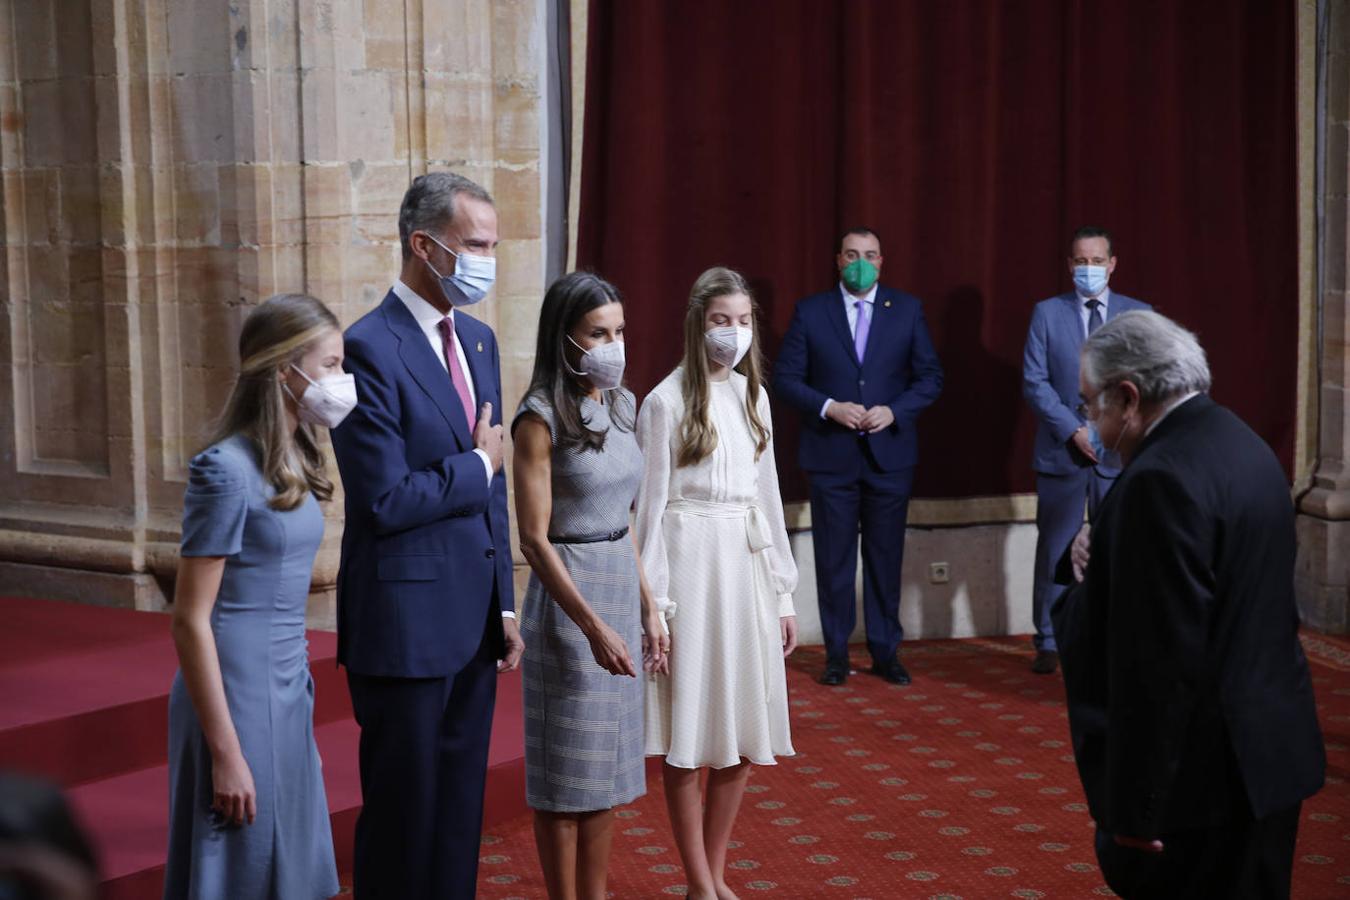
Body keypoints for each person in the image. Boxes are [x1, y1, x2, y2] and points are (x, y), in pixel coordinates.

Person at [1052, 311, 1325, 899]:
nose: (1091, 422)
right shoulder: (1242, 442)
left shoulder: (1158, 481)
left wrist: (1136, 809)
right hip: (1269, 762)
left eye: (1090, 405)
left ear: (1128, 397)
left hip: (1199, 788)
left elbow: (1158, 664)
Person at [330, 172, 524, 899]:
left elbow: (493, 494)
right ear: (423, 245)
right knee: (404, 818)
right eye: (475, 244)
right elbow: (384, 499)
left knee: (456, 818)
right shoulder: (367, 347)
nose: (487, 261)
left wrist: (504, 603)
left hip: (474, 621)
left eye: (493, 246)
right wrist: (476, 462)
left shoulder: (477, 340)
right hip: (405, 626)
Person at [164, 294, 345, 900]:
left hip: (287, 683)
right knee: (242, 862)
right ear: (282, 371)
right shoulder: (223, 470)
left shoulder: (295, 456)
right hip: (235, 692)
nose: (340, 382)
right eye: (329, 365)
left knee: (290, 859)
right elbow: (190, 619)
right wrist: (225, 752)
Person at [637, 267, 798, 900]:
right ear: (697, 326)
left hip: (745, 567)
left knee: (737, 733)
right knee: (690, 731)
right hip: (690, 565)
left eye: (742, 322)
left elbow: (770, 498)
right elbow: (649, 512)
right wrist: (657, 605)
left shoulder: (755, 397)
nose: (732, 333)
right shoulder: (665, 401)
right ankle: (697, 881)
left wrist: (783, 593)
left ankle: (717, 873)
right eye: (720, 321)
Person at [512, 271, 668, 900]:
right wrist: (594, 626)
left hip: (617, 589)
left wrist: (649, 606)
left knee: (604, 773)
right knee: (564, 776)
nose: (614, 345)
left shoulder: (624, 405)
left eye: (620, 331)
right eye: (598, 333)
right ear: (565, 338)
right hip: (567, 600)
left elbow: (623, 520)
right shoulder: (538, 417)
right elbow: (533, 539)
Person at [773, 227, 943, 686]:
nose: (860, 262)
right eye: (852, 255)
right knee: (834, 559)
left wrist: (894, 410)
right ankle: (835, 654)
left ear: (882, 261)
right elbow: (786, 378)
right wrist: (830, 407)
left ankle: (886, 651)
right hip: (831, 456)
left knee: (886, 558)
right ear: (838, 260)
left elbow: (930, 378)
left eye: (869, 255)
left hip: (890, 455)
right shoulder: (811, 312)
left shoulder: (906, 310)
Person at [1021, 226, 1150, 674]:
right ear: (1069, 265)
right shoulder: (1047, 313)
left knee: (1119, 550)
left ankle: (1113, 636)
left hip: (1117, 454)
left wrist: (1109, 430)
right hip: (1063, 452)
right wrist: (1074, 430)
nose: (1088, 269)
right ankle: (1050, 640)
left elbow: (1147, 381)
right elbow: (1034, 382)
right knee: (1055, 550)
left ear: (1112, 264)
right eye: (1081, 261)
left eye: (1097, 261)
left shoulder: (1137, 316)